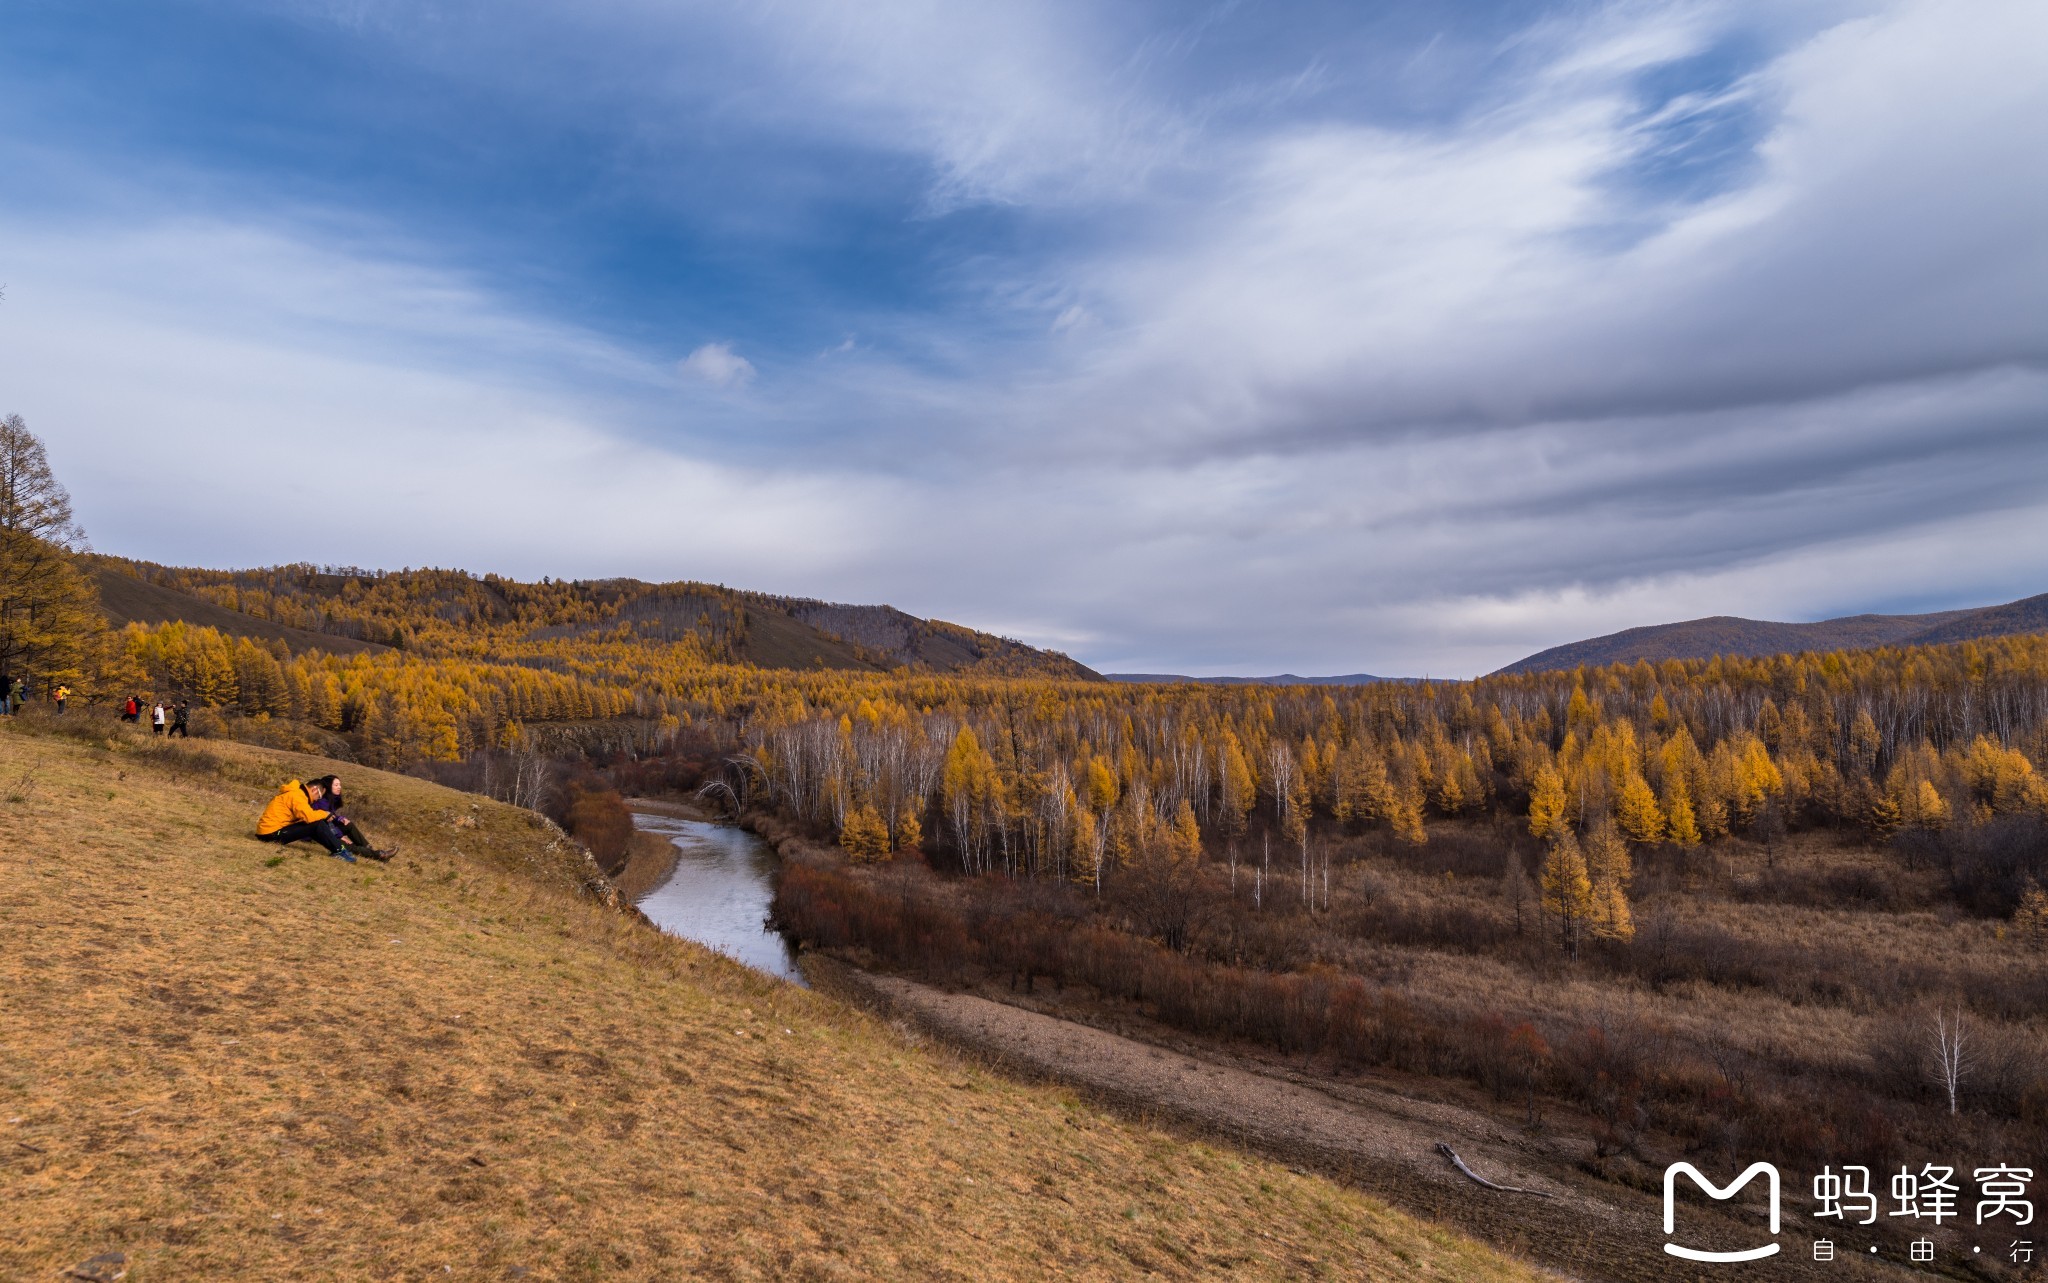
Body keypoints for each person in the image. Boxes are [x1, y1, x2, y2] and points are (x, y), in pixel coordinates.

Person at [256, 777, 356, 862]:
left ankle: (338, 849)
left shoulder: (296, 794)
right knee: (316, 824)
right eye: (319, 796)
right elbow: (309, 817)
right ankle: (339, 850)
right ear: (314, 790)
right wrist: (324, 814)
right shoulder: (297, 796)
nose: (317, 800)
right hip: (271, 834)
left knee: (315, 824)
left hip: (270, 831)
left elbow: (302, 818)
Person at [305, 775, 397, 861]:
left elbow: (329, 817)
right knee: (345, 845)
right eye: (336, 785)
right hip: (314, 834)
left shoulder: (329, 800)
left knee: (348, 825)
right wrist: (339, 836)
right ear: (329, 787)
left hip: (324, 829)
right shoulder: (321, 802)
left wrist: (339, 818)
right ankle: (379, 855)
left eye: (339, 785)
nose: (339, 787)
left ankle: (368, 849)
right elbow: (324, 823)